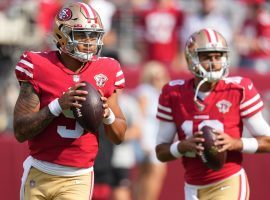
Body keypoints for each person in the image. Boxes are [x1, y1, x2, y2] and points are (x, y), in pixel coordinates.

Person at [13, 2, 127, 200]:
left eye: (93, 35)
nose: (89, 42)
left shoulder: (107, 69)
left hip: (78, 176)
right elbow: (20, 131)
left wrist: (107, 114)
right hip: (40, 171)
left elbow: (118, 136)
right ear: (61, 35)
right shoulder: (38, 65)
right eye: (81, 34)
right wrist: (57, 106)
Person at [155, 28, 270, 200]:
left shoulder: (238, 89)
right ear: (191, 58)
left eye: (218, 56)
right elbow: (161, 152)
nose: (214, 62)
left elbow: (268, 141)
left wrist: (236, 143)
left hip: (228, 181)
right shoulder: (173, 93)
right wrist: (182, 146)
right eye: (207, 57)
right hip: (192, 186)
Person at [135, 61, 170, 200]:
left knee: (147, 174)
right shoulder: (144, 90)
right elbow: (141, 116)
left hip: (156, 136)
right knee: (153, 173)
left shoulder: (162, 93)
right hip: (148, 137)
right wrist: (143, 140)